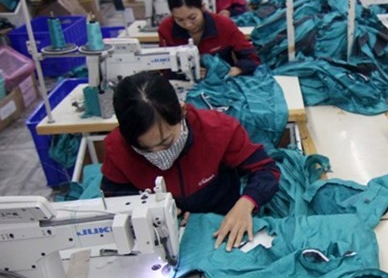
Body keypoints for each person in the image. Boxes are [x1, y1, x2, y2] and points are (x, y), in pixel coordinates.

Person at [100, 71, 279, 251]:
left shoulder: (218, 130)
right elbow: (114, 194)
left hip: (221, 219)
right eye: (144, 149)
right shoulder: (118, 148)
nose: (157, 153)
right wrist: (155, 207)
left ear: (182, 111)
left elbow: (266, 169)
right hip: (168, 229)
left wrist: (247, 203)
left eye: (166, 142)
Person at [158, 0, 258, 77]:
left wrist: (237, 69)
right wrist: (185, 74)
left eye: (192, 18)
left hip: (223, 85)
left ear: (202, 7)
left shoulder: (223, 25)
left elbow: (252, 58)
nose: (188, 25)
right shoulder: (166, 29)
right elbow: (164, 68)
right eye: (179, 20)